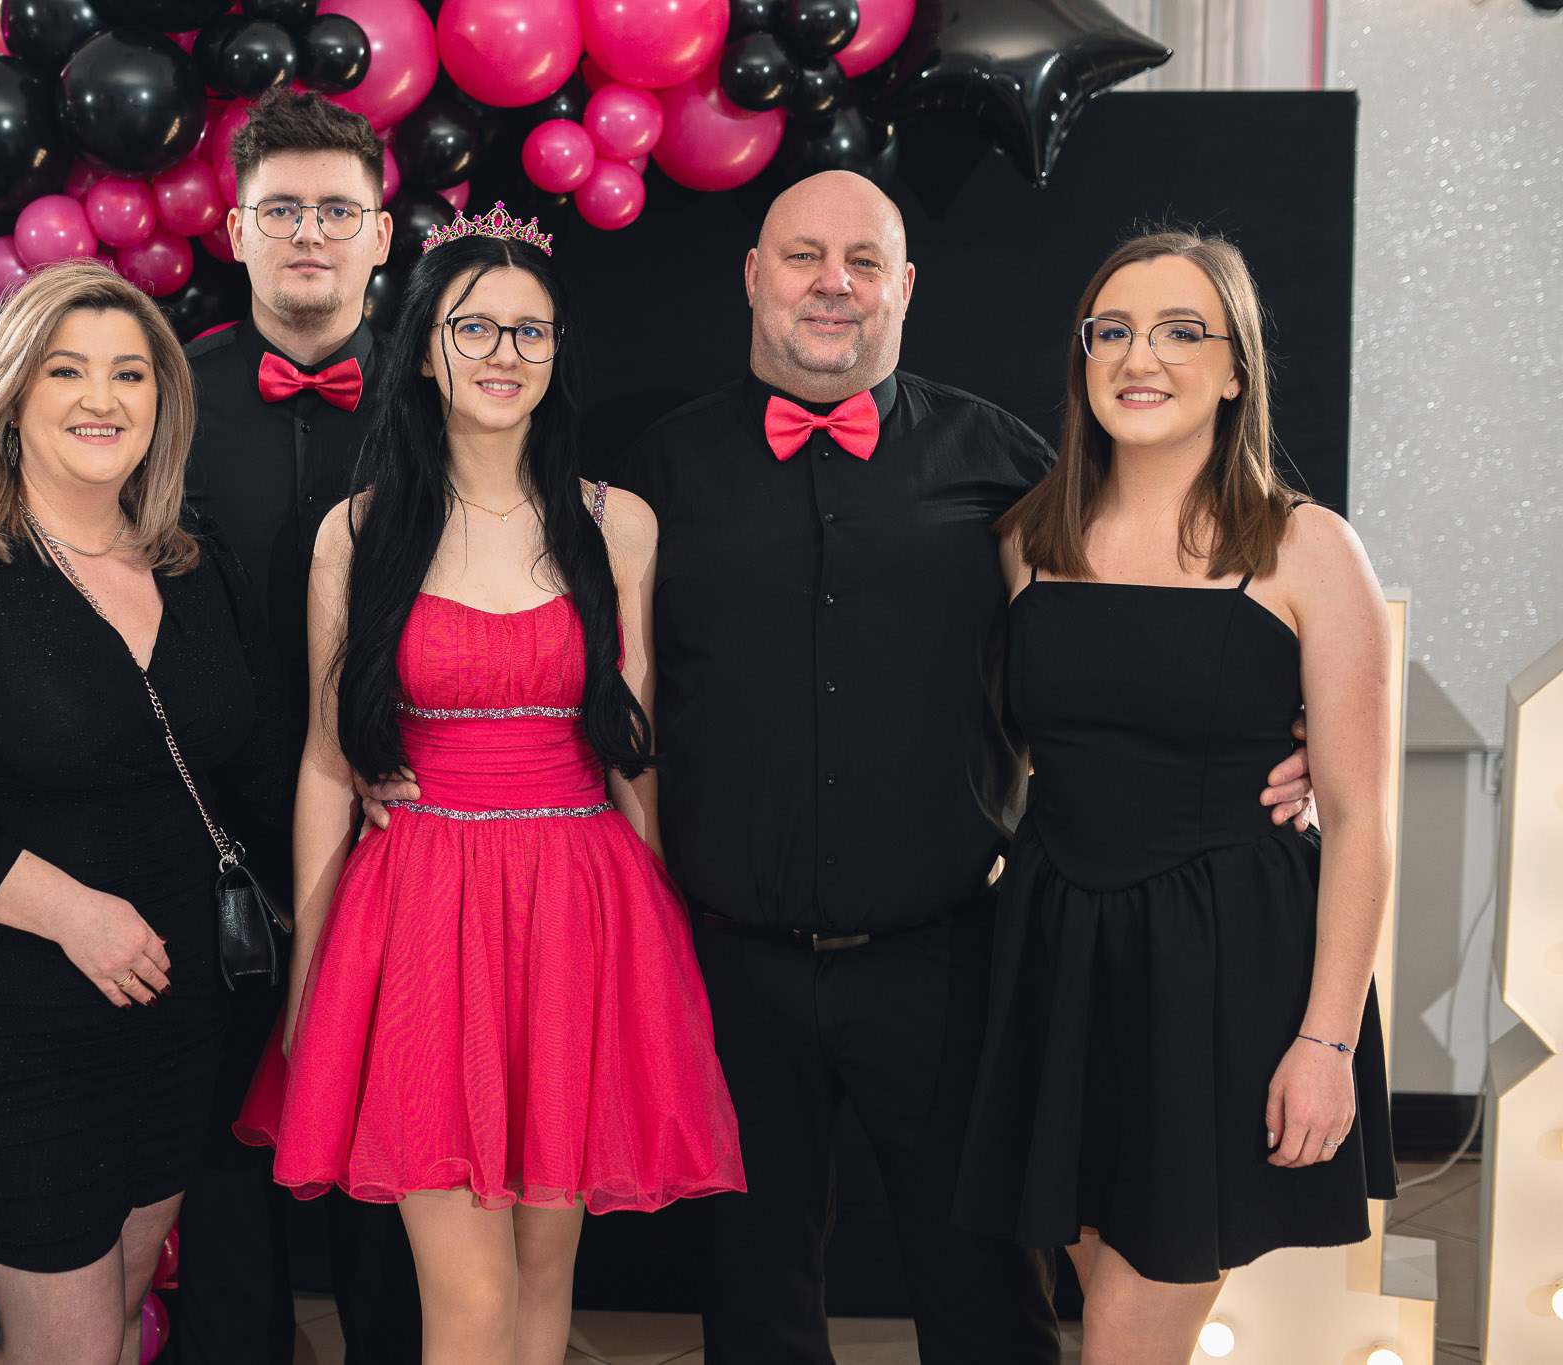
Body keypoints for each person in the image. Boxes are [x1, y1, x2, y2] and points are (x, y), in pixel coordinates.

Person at [619, 172, 1315, 1364]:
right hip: (721, 963)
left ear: (904, 286)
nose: (831, 284)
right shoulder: (654, 473)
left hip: (949, 960)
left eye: (862, 261)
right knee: (748, 1291)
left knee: (985, 1289)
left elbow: (1146, 607)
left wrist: (1276, 717)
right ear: (750, 275)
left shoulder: (1007, 465)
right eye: (801, 256)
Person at [235, 209, 745, 1365]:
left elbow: (632, 750)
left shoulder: (616, 526)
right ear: (424, 349)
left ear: (558, 353)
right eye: (475, 328)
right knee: (466, 1298)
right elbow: (324, 761)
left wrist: (654, 941)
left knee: (543, 1270)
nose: (504, 354)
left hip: (578, 905)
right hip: (421, 909)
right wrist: (311, 971)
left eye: (531, 331)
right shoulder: (359, 534)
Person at [0, 260, 293, 1365]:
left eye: (130, 373)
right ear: (12, 392)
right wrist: (73, 913)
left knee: (122, 1300)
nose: (102, 398)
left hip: (181, 1006)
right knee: (72, 1343)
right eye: (66, 370)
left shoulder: (195, 560)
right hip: (9, 1009)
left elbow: (254, 758)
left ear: (162, 400)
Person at [953, 231, 1398, 1361]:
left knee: (1125, 1328)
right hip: (1060, 958)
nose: (1137, 357)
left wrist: (1327, 1039)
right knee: (1102, 1290)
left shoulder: (1306, 549)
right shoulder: (1025, 541)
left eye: (1178, 331)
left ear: (1235, 368)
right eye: (1111, 330)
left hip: (1223, 973)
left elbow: (1359, 821)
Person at [178, 88, 422, 1363]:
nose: (310, 234)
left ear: (381, 234)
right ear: (235, 231)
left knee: (393, 1168)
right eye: (281, 211)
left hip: (401, 836)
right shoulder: (160, 396)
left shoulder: (449, 396)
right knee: (222, 1171)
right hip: (202, 842)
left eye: (337, 210)